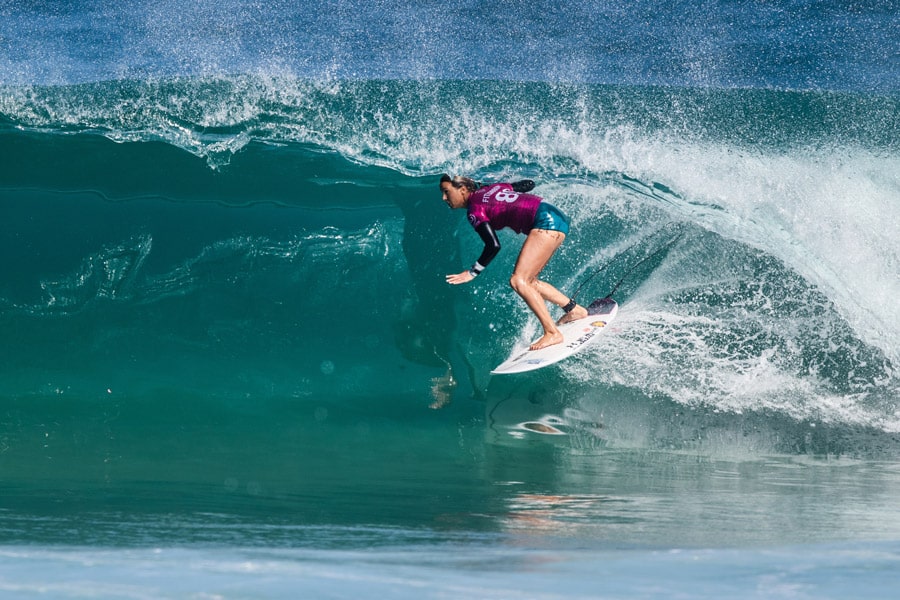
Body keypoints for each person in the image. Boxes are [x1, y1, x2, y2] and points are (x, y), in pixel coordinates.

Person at [440, 174, 588, 350]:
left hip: (545, 223)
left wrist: (472, 272)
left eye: (446, 192)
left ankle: (552, 333)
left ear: (462, 190)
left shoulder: (474, 209)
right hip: (555, 217)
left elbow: (493, 245)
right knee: (529, 281)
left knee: (518, 281)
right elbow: (527, 184)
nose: (444, 198)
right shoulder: (493, 188)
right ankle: (574, 310)